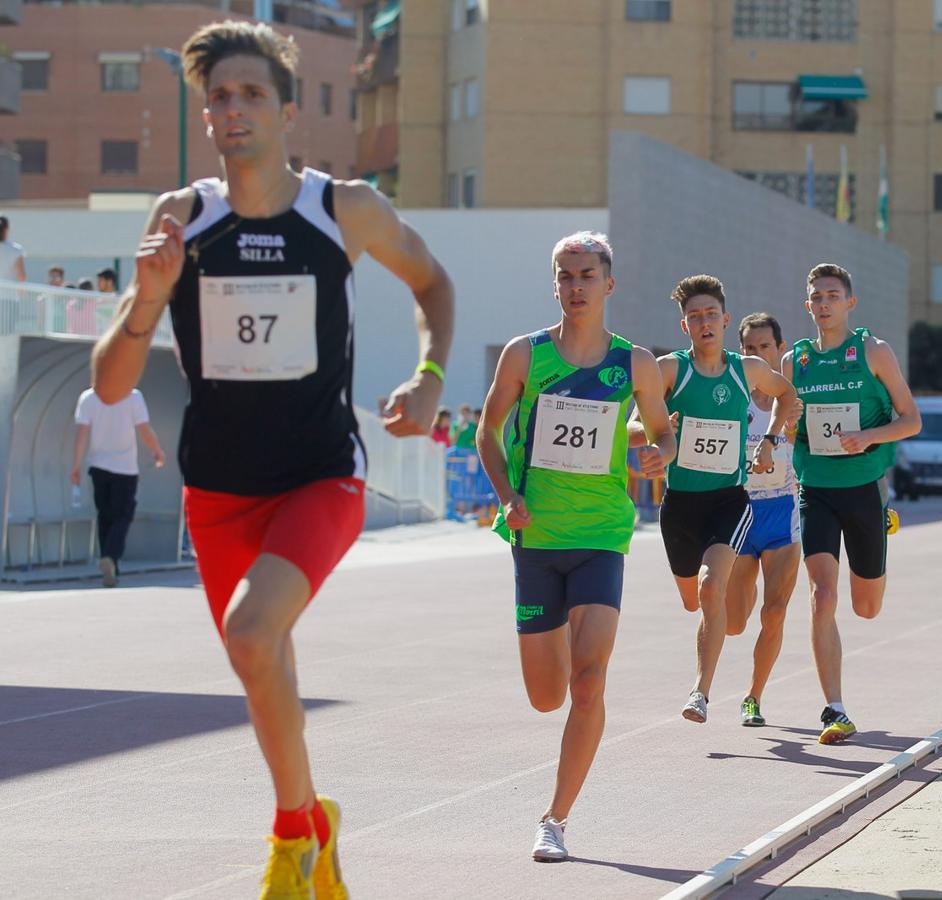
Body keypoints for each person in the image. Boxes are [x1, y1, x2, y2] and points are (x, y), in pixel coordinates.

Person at [90, 20, 454, 900]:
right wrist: (148, 300)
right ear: (205, 115)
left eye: (252, 94)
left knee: (253, 636)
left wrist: (432, 377)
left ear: (288, 111)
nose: (233, 108)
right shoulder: (181, 219)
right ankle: (312, 822)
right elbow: (109, 386)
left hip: (319, 477)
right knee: (264, 673)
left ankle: (292, 841)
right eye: (219, 96)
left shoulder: (345, 209)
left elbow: (433, 284)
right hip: (217, 489)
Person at [477, 231, 674, 862]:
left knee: (588, 683)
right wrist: (507, 493)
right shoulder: (524, 356)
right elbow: (488, 429)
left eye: (586, 275)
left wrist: (655, 454)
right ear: (554, 284)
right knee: (546, 696)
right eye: (565, 276)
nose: (575, 287)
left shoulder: (634, 364)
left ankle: (555, 819)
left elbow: (664, 435)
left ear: (608, 284)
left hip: (601, 536)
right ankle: (557, 630)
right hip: (536, 536)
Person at [643, 275, 798, 724]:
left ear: (726, 319)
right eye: (695, 316)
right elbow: (636, 423)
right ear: (684, 325)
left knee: (713, 587)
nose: (704, 322)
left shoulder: (746, 369)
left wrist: (769, 439)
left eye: (711, 314)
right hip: (679, 507)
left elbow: (786, 394)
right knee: (697, 603)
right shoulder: (669, 370)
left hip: (729, 501)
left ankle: (700, 692)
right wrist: (657, 438)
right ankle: (709, 651)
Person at [782, 264, 920, 743]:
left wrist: (867, 437)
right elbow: (786, 425)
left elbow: (911, 420)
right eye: (816, 296)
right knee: (822, 595)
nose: (824, 304)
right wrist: (778, 438)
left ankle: (884, 524)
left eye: (832, 295)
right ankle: (835, 709)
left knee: (866, 607)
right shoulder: (794, 362)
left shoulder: (872, 351)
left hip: (863, 489)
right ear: (807, 305)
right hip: (815, 487)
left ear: (849, 303)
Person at [724, 312, 802, 727]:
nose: (757, 354)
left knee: (774, 613)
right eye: (749, 349)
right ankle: (743, 587)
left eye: (764, 347)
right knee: (735, 623)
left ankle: (753, 696)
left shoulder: (795, 402)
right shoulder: (732, 399)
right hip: (741, 514)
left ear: (780, 348)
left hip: (782, 514)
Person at [70, 387, 166, 586]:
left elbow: (82, 434)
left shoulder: (88, 397)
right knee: (123, 515)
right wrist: (157, 450)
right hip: (125, 469)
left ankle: (110, 562)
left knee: (105, 515)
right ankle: (110, 557)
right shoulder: (133, 396)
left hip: (97, 467)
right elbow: (144, 429)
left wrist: (76, 465)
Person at [0, 216, 25, 282]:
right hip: (9, 290)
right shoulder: (16, 249)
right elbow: (21, 276)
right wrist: (23, 292)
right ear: (7, 228)